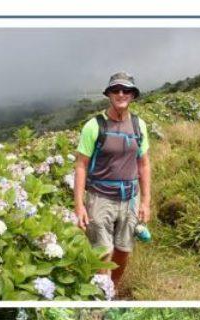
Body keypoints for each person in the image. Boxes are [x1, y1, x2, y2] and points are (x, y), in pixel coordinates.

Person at [73, 71, 151, 289]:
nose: (121, 94)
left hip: (129, 199)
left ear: (133, 95)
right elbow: (81, 165)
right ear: (109, 94)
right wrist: (79, 205)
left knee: (124, 250)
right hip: (99, 198)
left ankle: (112, 291)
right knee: (104, 252)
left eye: (126, 90)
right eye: (116, 90)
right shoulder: (94, 126)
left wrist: (145, 202)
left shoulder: (139, 125)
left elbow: (144, 164)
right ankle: (102, 294)